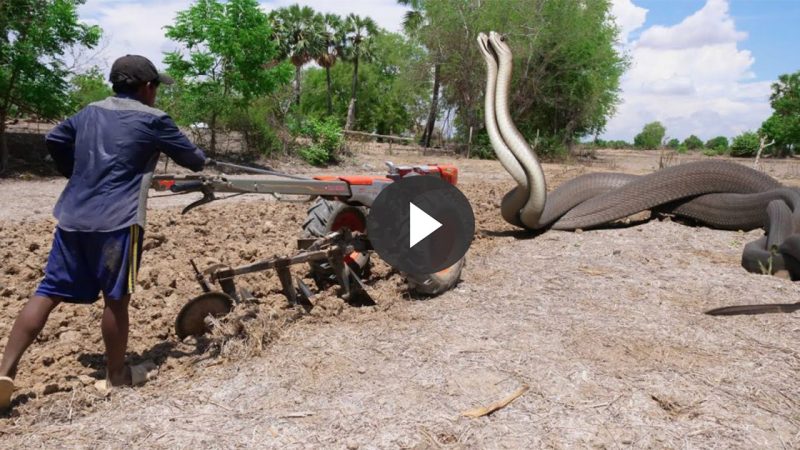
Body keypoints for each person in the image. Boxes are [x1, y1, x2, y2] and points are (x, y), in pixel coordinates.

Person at [0, 55, 207, 410]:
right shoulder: (155, 120)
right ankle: (117, 375)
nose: (156, 94)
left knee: (49, 289)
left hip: (73, 217)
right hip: (118, 221)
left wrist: (78, 173)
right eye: (156, 87)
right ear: (146, 87)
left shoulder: (89, 112)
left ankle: (4, 370)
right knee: (116, 297)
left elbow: (55, 138)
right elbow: (195, 160)